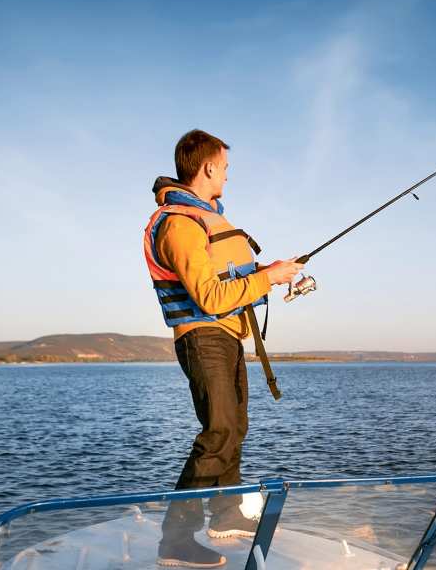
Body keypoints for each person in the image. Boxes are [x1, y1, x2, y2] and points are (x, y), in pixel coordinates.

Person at [143, 129, 302, 568]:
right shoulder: (178, 223)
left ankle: (226, 513)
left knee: (234, 426)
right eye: (225, 168)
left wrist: (269, 270)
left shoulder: (202, 218)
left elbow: (226, 281)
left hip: (227, 336)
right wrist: (267, 279)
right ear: (208, 166)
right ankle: (175, 540)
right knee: (217, 430)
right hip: (202, 335)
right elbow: (210, 297)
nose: (228, 177)